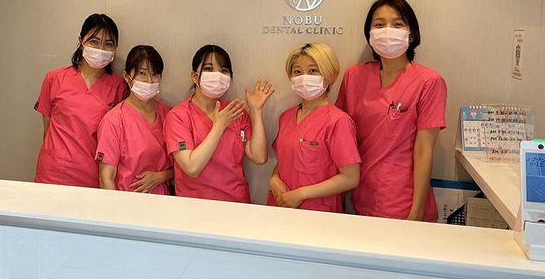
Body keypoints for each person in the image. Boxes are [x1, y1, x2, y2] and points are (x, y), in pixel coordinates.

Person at [337, 0, 447, 221]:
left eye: (397, 24)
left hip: (404, 200)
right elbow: (341, 137)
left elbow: (424, 149)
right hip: (361, 192)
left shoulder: (429, 82)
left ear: (411, 33)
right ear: (369, 34)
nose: (388, 31)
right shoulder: (354, 76)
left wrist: (416, 212)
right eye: (379, 24)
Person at [163, 44, 274, 203]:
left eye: (224, 70)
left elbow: (259, 157)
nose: (217, 75)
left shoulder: (235, 111)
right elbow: (192, 168)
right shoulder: (178, 116)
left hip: (235, 202)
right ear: (194, 76)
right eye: (208, 69)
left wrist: (255, 111)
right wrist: (219, 126)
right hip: (194, 204)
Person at [34, 13, 127, 187]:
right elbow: (47, 131)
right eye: (94, 41)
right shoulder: (55, 78)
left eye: (108, 44)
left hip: (92, 177)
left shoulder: (119, 87)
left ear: (115, 48)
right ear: (81, 41)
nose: (101, 49)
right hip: (52, 174)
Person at [267, 43, 360, 212]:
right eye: (297, 72)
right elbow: (287, 159)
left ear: (329, 75)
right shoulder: (286, 117)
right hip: (280, 205)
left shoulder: (338, 121)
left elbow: (350, 178)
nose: (304, 77)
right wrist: (274, 178)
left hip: (317, 211)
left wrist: (301, 194)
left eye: (313, 71)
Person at [96, 45, 173, 194]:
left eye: (155, 74)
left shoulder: (169, 115)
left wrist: (160, 177)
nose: (149, 80)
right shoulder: (114, 121)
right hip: (126, 201)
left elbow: (183, 166)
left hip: (163, 201)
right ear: (127, 76)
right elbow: (106, 178)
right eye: (142, 73)